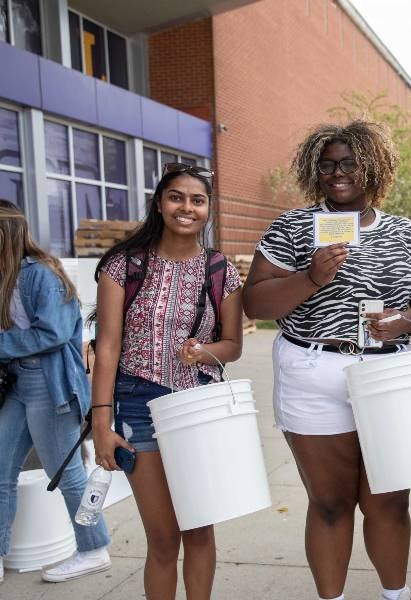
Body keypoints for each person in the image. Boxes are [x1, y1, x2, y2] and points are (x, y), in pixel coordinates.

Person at [243, 121, 411, 600]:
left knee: (389, 501)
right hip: (313, 371)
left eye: (349, 163)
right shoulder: (292, 226)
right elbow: (255, 304)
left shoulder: (404, 232)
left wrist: (403, 320)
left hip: (386, 372)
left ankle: (396, 596)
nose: (337, 173)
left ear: (373, 167)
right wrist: (309, 278)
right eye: (327, 165)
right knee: (329, 504)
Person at [91, 164, 243, 600]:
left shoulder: (221, 271)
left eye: (197, 200)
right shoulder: (123, 266)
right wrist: (103, 425)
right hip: (140, 403)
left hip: (199, 408)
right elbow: (107, 348)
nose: (186, 208)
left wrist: (205, 352)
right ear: (160, 204)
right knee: (162, 539)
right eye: (176, 197)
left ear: (208, 209)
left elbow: (233, 345)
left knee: (198, 531)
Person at [0, 200, 112, 584]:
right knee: (0, 471)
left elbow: (54, 332)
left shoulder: (40, 275)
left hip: (49, 385)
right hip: (18, 382)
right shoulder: (6, 274)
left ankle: (94, 549)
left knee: (67, 474)